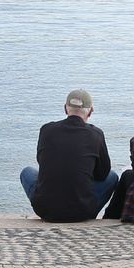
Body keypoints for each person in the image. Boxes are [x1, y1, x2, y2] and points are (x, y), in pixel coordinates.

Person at [20, 90, 117, 222]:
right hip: (81, 210)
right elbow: (102, 174)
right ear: (90, 111)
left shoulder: (46, 130)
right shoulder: (96, 134)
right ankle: (88, 216)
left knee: (27, 172)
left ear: (65, 109)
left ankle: (55, 208)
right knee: (112, 176)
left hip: (45, 209)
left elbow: (42, 162)